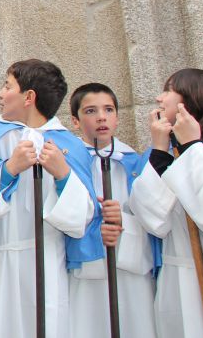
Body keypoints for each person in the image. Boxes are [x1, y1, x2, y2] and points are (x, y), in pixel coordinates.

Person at [0, 59, 103, 338]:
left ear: (29, 97)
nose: (0, 94)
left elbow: (82, 219)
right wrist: (7, 171)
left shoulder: (69, 146)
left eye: (7, 86)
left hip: (45, 260)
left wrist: (63, 174)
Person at [68, 83, 157, 338]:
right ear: (75, 121)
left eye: (108, 109)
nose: (101, 117)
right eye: (91, 111)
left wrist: (124, 224)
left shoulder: (133, 162)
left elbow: (150, 213)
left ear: (117, 117)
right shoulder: (68, 162)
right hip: (87, 268)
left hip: (129, 265)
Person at [129, 68, 203, 338]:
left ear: (190, 97)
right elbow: (154, 221)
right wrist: (159, 151)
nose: (159, 98)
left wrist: (193, 147)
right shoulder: (170, 152)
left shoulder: (198, 151)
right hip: (178, 275)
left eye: (168, 90)